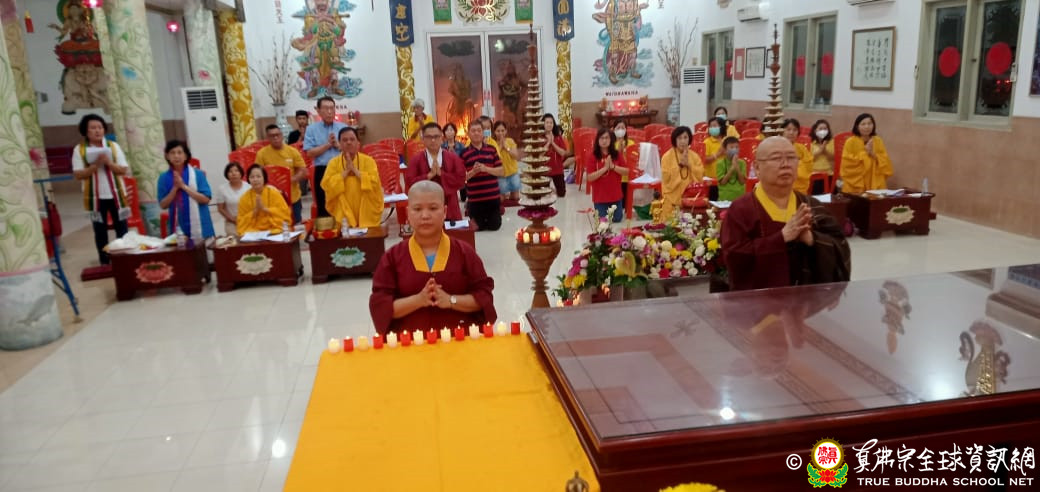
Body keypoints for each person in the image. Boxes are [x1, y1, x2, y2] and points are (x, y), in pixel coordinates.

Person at [721, 137, 851, 291]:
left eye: (791, 157)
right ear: (757, 167)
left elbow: (840, 248)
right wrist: (781, 238)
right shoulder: (741, 209)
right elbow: (733, 258)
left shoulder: (811, 205)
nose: (785, 164)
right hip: (759, 301)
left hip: (806, 300)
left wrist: (811, 239)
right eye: (776, 158)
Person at [369, 180, 496, 335]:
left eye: (433, 208)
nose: (425, 216)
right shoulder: (393, 257)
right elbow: (380, 307)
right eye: (417, 209)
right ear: (408, 213)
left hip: (458, 341)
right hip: (410, 343)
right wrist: (418, 300)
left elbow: (484, 298)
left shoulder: (464, 252)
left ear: (444, 211)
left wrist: (450, 300)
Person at [71, 114, 131, 265]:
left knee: (122, 229)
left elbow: (123, 170)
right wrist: (95, 166)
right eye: (93, 128)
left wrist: (109, 163)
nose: (97, 131)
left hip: (117, 195)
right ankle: (104, 261)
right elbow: (78, 174)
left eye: (100, 127)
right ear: (86, 131)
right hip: (94, 198)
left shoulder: (113, 146)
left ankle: (124, 260)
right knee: (99, 231)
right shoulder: (79, 150)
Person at [321, 127, 383, 228]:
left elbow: (374, 183)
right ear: (339, 144)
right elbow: (327, 185)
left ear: (358, 143)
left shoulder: (368, 161)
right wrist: (346, 172)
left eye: (352, 139)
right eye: (345, 140)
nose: (349, 142)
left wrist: (355, 171)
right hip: (342, 212)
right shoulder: (333, 163)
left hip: (366, 210)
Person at [407, 122, 466, 221]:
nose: (433, 140)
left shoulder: (452, 158)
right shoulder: (416, 160)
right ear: (423, 139)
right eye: (429, 137)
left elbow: (461, 180)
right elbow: (410, 182)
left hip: (450, 205)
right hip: (425, 207)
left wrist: (441, 174)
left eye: (436, 136)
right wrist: (428, 176)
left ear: (441, 138)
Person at [158, 140, 215, 241]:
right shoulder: (163, 178)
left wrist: (184, 186)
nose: (176, 156)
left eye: (179, 152)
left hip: (201, 226)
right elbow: (163, 205)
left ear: (185, 156)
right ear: (167, 156)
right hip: (178, 227)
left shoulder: (198, 174)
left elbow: (206, 199)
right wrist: (175, 188)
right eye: (172, 153)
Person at [303, 96, 348, 217]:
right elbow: (309, 153)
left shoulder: (343, 127)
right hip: (322, 170)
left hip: (342, 169)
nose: (329, 111)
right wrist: (328, 145)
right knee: (324, 206)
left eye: (332, 108)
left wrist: (339, 146)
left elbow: (351, 150)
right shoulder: (311, 129)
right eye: (326, 108)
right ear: (318, 111)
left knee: (344, 203)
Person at [255, 124, 308, 223]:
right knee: (276, 225)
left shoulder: (292, 151)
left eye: (277, 135)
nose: (276, 138)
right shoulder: (261, 154)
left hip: (292, 197)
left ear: (282, 135)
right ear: (267, 138)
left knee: (296, 224)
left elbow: (303, 170)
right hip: (271, 197)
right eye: (272, 136)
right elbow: (257, 174)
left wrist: (291, 180)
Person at [460, 120, 504, 231]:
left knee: (495, 226)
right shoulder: (464, 153)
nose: (476, 133)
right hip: (475, 200)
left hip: (492, 198)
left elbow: (501, 171)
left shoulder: (492, 149)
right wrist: (473, 172)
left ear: (483, 132)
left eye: (479, 130)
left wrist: (486, 169)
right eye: (473, 131)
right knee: (478, 228)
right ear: (468, 133)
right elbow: (461, 178)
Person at [840, 113, 893, 195]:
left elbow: (885, 161)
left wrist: (872, 153)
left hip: (874, 179)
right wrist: (865, 154)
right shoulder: (850, 142)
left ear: (873, 125)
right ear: (857, 126)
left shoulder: (878, 141)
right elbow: (847, 163)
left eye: (869, 123)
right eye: (863, 124)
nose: (867, 127)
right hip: (856, 182)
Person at [585, 128, 628, 222]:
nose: (604, 141)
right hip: (600, 198)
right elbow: (589, 177)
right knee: (603, 220)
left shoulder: (616, 154)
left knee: (617, 219)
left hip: (616, 196)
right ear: (597, 140)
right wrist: (604, 168)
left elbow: (627, 172)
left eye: (607, 138)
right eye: (602, 138)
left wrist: (613, 167)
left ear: (611, 140)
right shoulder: (592, 156)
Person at [660, 126, 702, 220]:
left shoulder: (695, 156)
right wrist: (680, 165)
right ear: (674, 140)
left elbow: (700, 176)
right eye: (679, 138)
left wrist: (689, 165)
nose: (683, 141)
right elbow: (666, 179)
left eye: (685, 137)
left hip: (690, 200)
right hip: (671, 201)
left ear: (689, 139)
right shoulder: (667, 157)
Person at [235, 165, 292, 235]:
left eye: (258, 176)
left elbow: (284, 213)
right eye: (252, 177)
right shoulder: (244, 198)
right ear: (248, 179)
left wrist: (264, 209)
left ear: (264, 178)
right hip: (253, 232)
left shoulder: (274, 193)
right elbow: (241, 221)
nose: (255, 179)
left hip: (274, 229)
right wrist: (255, 211)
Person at [781, 118, 815, 195]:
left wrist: (796, 164)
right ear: (782, 131)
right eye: (788, 129)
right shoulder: (776, 147)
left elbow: (809, 165)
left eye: (795, 130)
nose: (791, 133)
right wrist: (797, 162)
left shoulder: (802, 148)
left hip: (799, 187)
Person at [214, 162, 249, 236]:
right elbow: (221, 209)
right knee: (234, 240)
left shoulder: (248, 187)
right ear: (227, 174)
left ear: (241, 173)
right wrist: (233, 220)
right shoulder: (222, 189)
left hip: (248, 220)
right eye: (230, 171)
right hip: (231, 221)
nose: (234, 173)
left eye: (236, 171)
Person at [492, 121, 521, 202]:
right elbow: (494, 157)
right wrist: (501, 146)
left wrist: (507, 148)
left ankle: (511, 193)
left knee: (516, 197)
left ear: (506, 131)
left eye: (502, 130)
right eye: (498, 131)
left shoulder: (510, 141)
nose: (500, 133)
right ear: (494, 132)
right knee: (501, 199)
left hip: (512, 172)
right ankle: (504, 194)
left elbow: (515, 156)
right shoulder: (493, 143)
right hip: (501, 174)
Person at [543, 113, 571, 197]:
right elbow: (539, 154)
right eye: (547, 122)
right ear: (543, 124)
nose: (549, 125)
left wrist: (553, 143)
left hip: (557, 169)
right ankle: (550, 189)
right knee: (543, 194)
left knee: (562, 194)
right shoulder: (539, 137)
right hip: (544, 170)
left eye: (551, 122)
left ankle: (552, 189)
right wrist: (548, 143)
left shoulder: (558, 137)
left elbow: (563, 153)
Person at [613, 120, 637, 209]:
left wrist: (626, 152)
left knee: (626, 204)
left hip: (628, 177)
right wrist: (619, 151)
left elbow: (634, 159)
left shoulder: (631, 143)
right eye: (618, 128)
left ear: (626, 130)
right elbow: (613, 160)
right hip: (615, 177)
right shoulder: (611, 144)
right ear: (614, 130)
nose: (620, 130)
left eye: (622, 128)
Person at [715, 136, 747, 201]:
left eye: (737, 147)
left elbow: (742, 181)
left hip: (740, 197)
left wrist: (737, 167)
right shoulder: (720, 163)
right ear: (725, 150)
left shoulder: (742, 163)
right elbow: (723, 182)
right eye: (731, 147)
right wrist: (732, 168)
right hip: (725, 198)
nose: (734, 149)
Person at [809, 119, 835, 195]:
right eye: (820, 129)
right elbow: (809, 158)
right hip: (814, 173)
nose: (823, 131)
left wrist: (825, 150)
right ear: (815, 130)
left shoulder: (831, 142)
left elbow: (833, 157)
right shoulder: (811, 143)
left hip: (828, 173)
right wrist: (820, 151)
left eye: (825, 129)